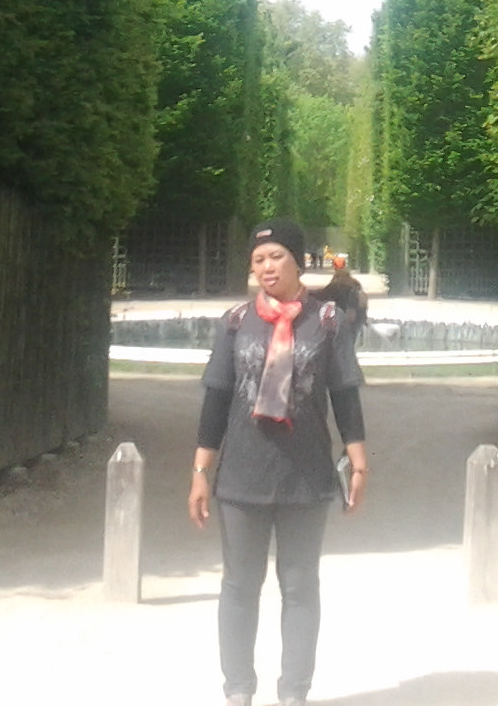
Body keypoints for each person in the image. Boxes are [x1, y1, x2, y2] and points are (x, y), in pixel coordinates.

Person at [191, 220, 368, 706]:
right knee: (239, 586)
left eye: (276, 256)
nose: (267, 267)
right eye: (258, 260)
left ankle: (294, 693)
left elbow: (345, 393)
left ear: (298, 261)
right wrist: (200, 472)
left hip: (305, 475)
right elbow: (216, 399)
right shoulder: (234, 322)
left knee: (300, 586)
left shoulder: (328, 321)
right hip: (242, 475)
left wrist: (358, 461)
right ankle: (238, 690)